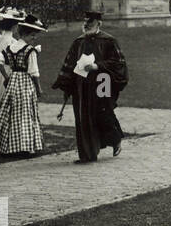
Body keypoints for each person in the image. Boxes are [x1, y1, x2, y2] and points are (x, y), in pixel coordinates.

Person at [52, 9, 129, 161]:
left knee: (104, 113)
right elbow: (69, 64)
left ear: (99, 23)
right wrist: (67, 84)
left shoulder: (109, 41)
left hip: (103, 81)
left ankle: (115, 140)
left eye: (90, 22)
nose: (87, 25)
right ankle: (87, 154)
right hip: (82, 84)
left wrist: (96, 66)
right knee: (83, 117)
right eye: (85, 22)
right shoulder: (78, 42)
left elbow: (118, 63)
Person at [0, 12, 45, 157]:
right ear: (25, 34)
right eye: (32, 35)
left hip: (13, 80)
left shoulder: (11, 48)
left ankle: (7, 144)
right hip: (25, 82)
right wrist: (39, 89)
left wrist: (6, 77)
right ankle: (24, 146)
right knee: (25, 113)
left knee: (10, 112)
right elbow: (34, 72)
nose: (34, 38)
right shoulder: (30, 51)